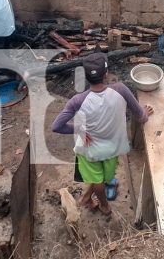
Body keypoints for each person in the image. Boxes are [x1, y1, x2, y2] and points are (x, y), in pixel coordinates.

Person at [52, 53, 153, 216]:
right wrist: (145, 113)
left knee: (97, 179)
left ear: (85, 77)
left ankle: (100, 204)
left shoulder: (77, 100)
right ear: (105, 74)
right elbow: (141, 117)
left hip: (89, 149)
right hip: (112, 147)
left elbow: (56, 126)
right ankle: (101, 204)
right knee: (104, 178)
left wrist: (79, 129)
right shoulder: (120, 89)